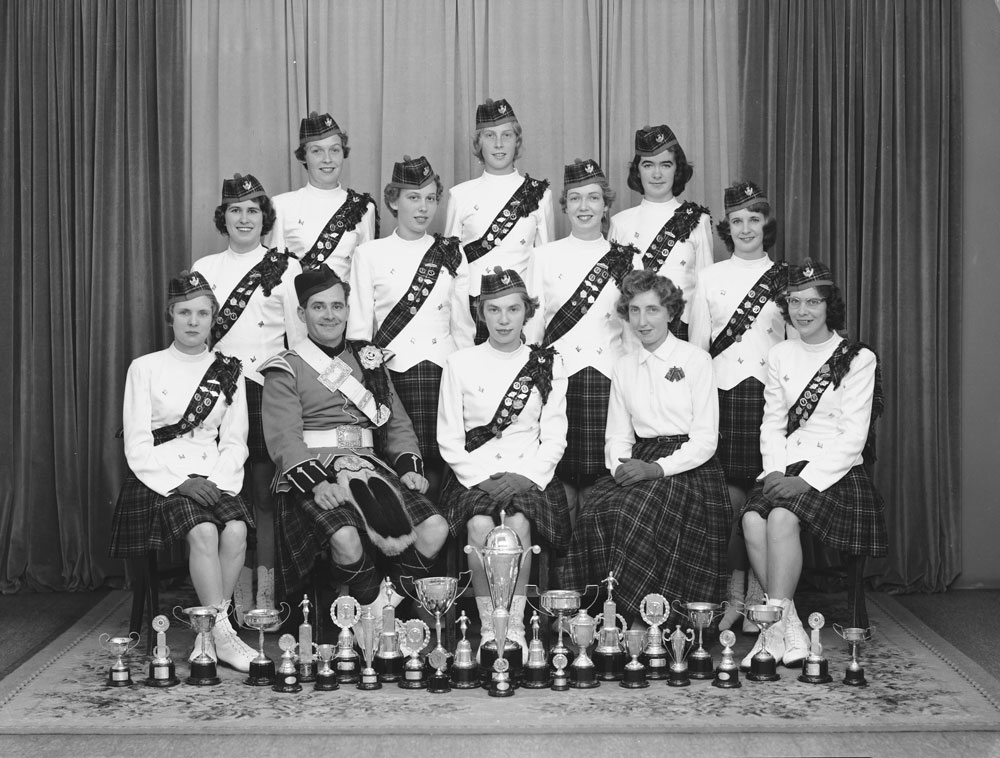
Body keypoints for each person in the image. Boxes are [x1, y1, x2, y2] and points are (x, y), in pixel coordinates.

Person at [261, 267, 448, 621]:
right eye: (318, 307)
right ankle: (380, 620)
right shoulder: (286, 367)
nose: (329, 315)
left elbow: (397, 422)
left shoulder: (369, 360)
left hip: (372, 467)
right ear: (302, 315)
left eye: (336, 306)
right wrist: (317, 483)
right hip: (314, 472)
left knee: (435, 527)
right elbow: (284, 436)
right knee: (346, 537)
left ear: (348, 310)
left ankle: (381, 608)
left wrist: (409, 468)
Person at [560, 269, 732, 620]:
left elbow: (705, 440)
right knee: (597, 509)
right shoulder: (624, 365)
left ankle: (648, 619)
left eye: (652, 310)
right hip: (640, 459)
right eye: (634, 310)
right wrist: (619, 467)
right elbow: (618, 435)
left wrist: (655, 469)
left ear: (671, 313)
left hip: (689, 467)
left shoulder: (695, 360)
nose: (642, 320)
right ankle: (603, 620)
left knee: (632, 513)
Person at [740, 259, 887, 669]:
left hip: (835, 470)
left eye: (813, 302)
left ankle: (775, 628)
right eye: (794, 302)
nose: (803, 311)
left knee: (781, 519)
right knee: (753, 520)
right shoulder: (780, 354)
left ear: (829, 307)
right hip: (787, 462)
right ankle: (786, 625)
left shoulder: (857, 359)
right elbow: (772, 423)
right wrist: (773, 470)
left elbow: (853, 437)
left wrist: (805, 482)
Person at [109, 271, 257, 671]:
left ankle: (209, 635)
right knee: (205, 532)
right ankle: (220, 637)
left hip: (214, 476)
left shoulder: (229, 371)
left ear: (214, 319)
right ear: (170, 316)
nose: (194, 321)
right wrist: (181, 483)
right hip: (160, 476)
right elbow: (137, 445)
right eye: (185, 312)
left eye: (203, 313)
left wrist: (219, 482)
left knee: (238, 531)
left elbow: (234, 441)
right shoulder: (145, 367)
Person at [438, 267, 569, 660]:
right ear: (481, 313)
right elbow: (449, 438)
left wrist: (523, 478)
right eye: (494, 310)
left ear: (526, 312)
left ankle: (512, 629)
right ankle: (488, 630)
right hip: (473, 479)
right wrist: (482, 479)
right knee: (479, 526)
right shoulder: (459, 363)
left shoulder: (547, 363)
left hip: (530, 477)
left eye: (513, 309)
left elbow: (555, 436)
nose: (504, 319)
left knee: (516, 525)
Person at [192, 172, 305, 623]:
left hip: (267, 388)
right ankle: (230, 598)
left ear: (265, 218)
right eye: (235, 210)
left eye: (253, 210)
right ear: (223, 217)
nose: (244, 218)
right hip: (219, 390)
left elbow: (296, 343)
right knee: (227, 492)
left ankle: (265, 595)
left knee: (264, 495)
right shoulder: (205, 267)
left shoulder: (286, 266)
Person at [689, 180, 789, 633]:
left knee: (762, 495)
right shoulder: (709, 278)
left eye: (754, 218)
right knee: (727, 499)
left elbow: (794, 349)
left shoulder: (785, 278)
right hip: (723, 397)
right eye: (737, 221)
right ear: (726, 227)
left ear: (765, 223)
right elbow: (697, 351)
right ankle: (732, 593)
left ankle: (760, 596)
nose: (746, 227)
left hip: (770, 398)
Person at [348, 155, 475, 495]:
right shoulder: (369, 254)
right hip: (392, 378)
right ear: (393, 200)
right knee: (399, 473)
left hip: (443, 374)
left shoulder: (451, 252)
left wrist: (467, 383)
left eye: (431, 198)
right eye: (413, 197)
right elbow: (359, 333)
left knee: (444, 472)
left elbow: (463, 327)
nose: (423, 208)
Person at [525, 158, 634, 525]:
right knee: (561, 484)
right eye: (575, 199)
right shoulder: (543, 256)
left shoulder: (624, 260)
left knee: (602, 486)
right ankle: (563, 572)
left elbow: (633, 329)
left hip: (609, 379)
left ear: (606, 205)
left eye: (593, 198)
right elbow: (534, 327)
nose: (584, 207)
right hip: (560, 380)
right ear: (565, 206)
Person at [445, 97, 554, 343]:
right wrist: (461, 329)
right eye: (489, 136)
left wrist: (536, 329)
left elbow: (545, 265)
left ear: (517, 141)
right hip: (475, 308)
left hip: (521, 307)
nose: (498, 144)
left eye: (506, 135)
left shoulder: (540, 195)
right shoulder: (460, 195)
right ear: (478, 142)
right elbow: (452, 270)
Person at [608, 124, 714, 341]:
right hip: (635, 333)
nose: (657, 174)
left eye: (665, 165)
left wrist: (697, 351)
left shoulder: (697, 220)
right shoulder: (620, 223)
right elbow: (613, 295)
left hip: (682, 332)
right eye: (648, 165)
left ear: (677, 169)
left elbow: (705, 296)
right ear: (638, 170)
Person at [269, 111, 378, 279]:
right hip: (298, 303)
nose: (327, 159)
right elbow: (273, 276)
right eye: (317, 151)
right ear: (303, 157)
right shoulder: (281, 206)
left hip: (344, 303)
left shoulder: (364, 208)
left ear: (343, 154)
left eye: (334, 150)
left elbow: (367, 276)